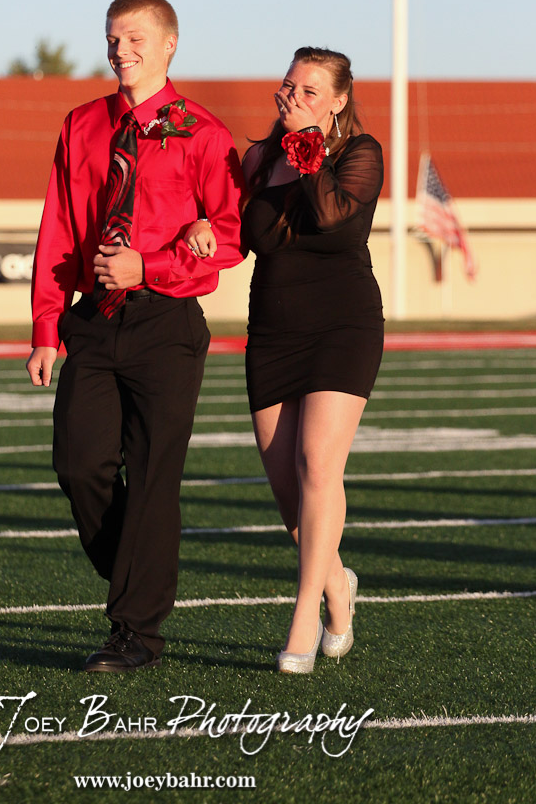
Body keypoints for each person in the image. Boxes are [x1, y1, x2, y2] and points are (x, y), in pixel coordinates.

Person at [26, 0, 245, 672]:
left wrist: (148, 263)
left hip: (165, 325)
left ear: (169, 45)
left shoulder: (204, 133)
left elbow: (232, 235)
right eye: (113, 39)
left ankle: (135, 633)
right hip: (93, 319)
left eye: (136, 39)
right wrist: (45, 325)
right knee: (77, 463)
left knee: (152, 478)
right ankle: (138, 569)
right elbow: (59, 225)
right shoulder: (83, 124)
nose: (121, 50)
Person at [194, 46, 384, 673]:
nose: (293, 97)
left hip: (342, 324)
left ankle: (305, 617)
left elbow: (331, 217)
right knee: (286, 495)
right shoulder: (256, 158)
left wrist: (307, 146)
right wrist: (201, 234)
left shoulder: (360, 154)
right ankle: (338, 586)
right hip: (274, 328)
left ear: (337, 101)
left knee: (317, 467)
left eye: (309, 91)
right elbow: (238, 237)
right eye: (288, 86)